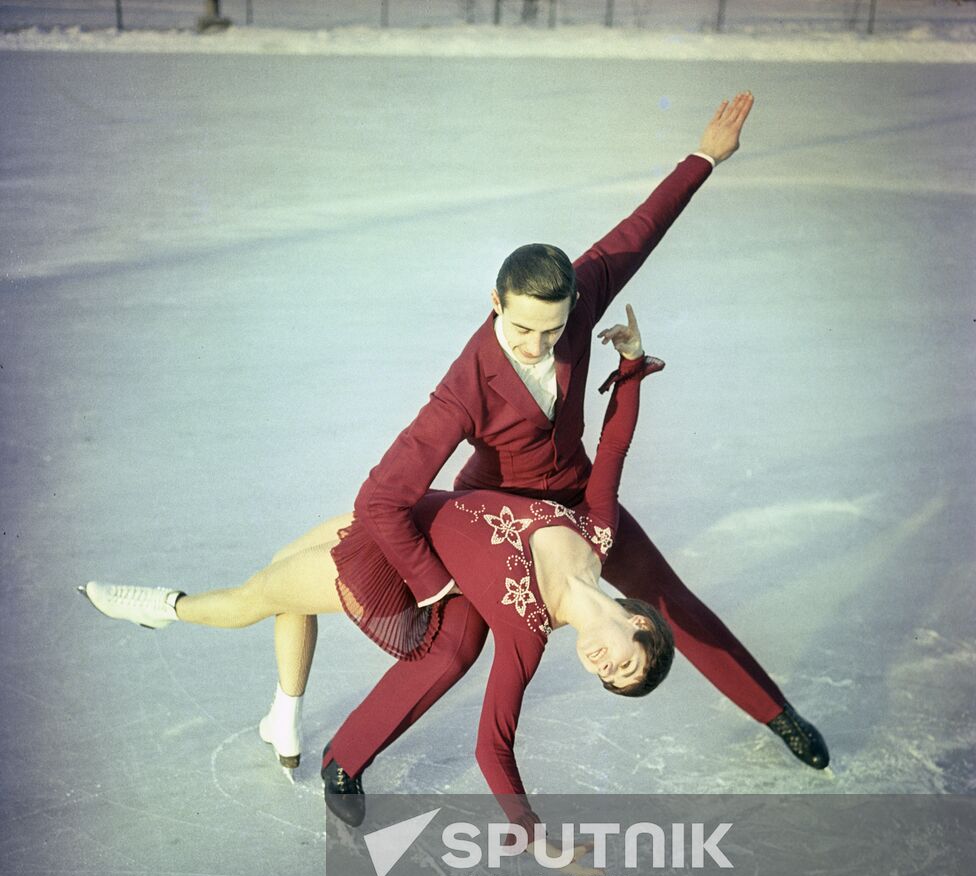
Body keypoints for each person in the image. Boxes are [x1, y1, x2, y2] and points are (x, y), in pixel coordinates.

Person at [315, 90, 828, 811]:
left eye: (552, 332)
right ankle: (344, 761)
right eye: (522, 329)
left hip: (579, 502)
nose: (537, 344)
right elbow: (381, 498)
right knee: (455, 647)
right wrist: (434, 585)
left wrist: (706, 155)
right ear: (496, 304)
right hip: (493, 518)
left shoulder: (576, 298)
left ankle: (777, 714)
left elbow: (636, 233)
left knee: (667, 599)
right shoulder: (463, 389)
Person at [83, 307, 674, 874]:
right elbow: (614, 452)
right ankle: (283, 716)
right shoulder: (595, 533)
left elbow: (494, 747)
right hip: (399, 516)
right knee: (279, 576)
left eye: (608, 680)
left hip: (394, 570)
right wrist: (631, 362)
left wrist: (537, 841)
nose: (603, 667)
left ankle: (166, 607)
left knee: (256, 597)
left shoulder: (527, 635)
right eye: (623, 664)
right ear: (638, 624)